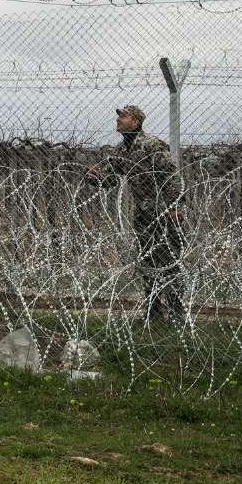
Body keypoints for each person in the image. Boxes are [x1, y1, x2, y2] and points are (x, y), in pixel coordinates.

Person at [87, 105, 187, 324]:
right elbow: (110, 180)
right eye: (119, 116)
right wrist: (93, 177)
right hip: (143, 214)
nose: (118, 120)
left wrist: (176, 206)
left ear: (136, 122)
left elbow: (171, 176)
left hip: (164, 211)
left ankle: (178, 315)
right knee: (147, 262)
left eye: (124, 116)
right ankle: (153, 314)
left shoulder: (152, 145)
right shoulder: (121, 152)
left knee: (169, 263)